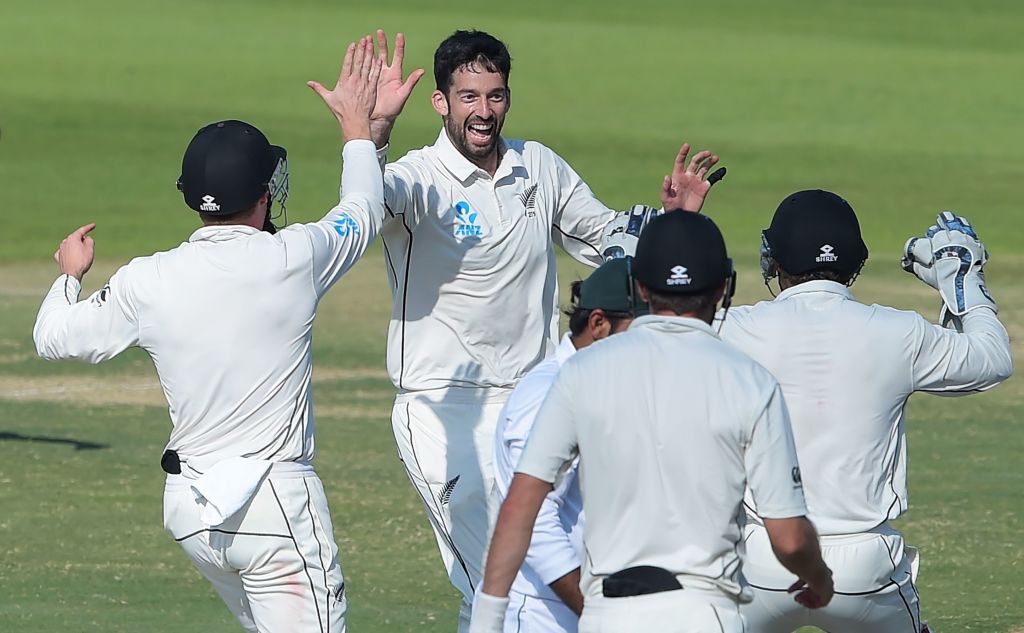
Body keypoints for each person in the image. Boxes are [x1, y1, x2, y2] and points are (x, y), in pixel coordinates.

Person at [363, 28, 719, 629]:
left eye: (495, 96)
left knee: (551, 577)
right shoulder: (416, 177)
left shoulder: (538, 166)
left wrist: (672, 223)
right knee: (503, 585)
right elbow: (365, 202)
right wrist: (373, 135)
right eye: (468, 96)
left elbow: (610, 243)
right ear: (441, 102)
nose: (484, 112)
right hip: (443, 407)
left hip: (536, 403)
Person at [32, 37, 387, 632]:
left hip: (194, 515)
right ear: (261, 195)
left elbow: (54, 337)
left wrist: (70, 275)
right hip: (274, 507)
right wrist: (360, 132)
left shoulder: (149, 279)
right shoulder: (291, 258)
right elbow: (363, 210)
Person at [473, 212, 835, 633]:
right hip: (706, 614)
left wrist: (488, 619)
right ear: (723, 288)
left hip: (609, 615)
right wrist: (820, 580)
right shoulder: (751, 381)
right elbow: (789, 539)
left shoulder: (580, 373)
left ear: (641, 288)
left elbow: (521, 506)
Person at [699, 192, 1013, 633]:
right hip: (865, 570)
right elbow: (992, 360)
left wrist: (676, 226)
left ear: (774, 261)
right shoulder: (899, 332)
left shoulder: (736, 328)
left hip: (762, 557)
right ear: (856, 262)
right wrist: (959, 280)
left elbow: (657, 331)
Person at [491, 258, 647, 633]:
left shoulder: (614, 383)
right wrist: (597, 615)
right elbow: (536, 526)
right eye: (640, 332)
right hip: (548, 612)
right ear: (598, 324)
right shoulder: (545, 394)